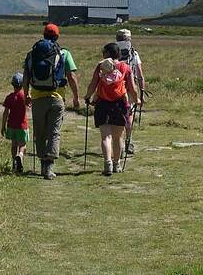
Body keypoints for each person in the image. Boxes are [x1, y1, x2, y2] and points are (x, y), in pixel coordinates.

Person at [22, 23, 80, 180]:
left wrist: (26, 94)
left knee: (39, 132)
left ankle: (42, 163)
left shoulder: (31, 54)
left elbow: (26, 76)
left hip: (37, 98)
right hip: (57, 98)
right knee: (54, 132)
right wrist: (76, 97)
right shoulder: (64, 53)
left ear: (43, 35)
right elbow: (72, 77)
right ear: (57, 36)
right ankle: (49, 166)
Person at [85, 43, 138, 176]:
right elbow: (132, 88)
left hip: (103, 104)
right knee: (118, 137)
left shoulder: (101, 65)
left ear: (108, 53)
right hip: (120, 104)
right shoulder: (125, 67)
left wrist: (87, 96)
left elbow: (93, 84)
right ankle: (117, 164)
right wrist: (136, 99)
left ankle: (107, 163)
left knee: (105, 136)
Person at [116, 29, 146, 155]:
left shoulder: (113, 51)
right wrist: (142, 92)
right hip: (130, 89)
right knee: (129, 116)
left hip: (115, 89)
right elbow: (139, 75)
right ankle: (128, 143)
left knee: (117, 117)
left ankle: (119, 145)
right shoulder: (134, 54)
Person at [1, 72, 29, 173]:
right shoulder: (24, 97)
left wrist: (3, 126)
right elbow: (31, 106)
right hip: (22, 125)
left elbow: (5, 113)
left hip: (11, 126)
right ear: (22, 85)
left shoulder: (9, 97)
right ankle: (20, 155)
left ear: (12, 84)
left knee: (14, 145)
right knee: (23, 145)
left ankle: (14, 163)